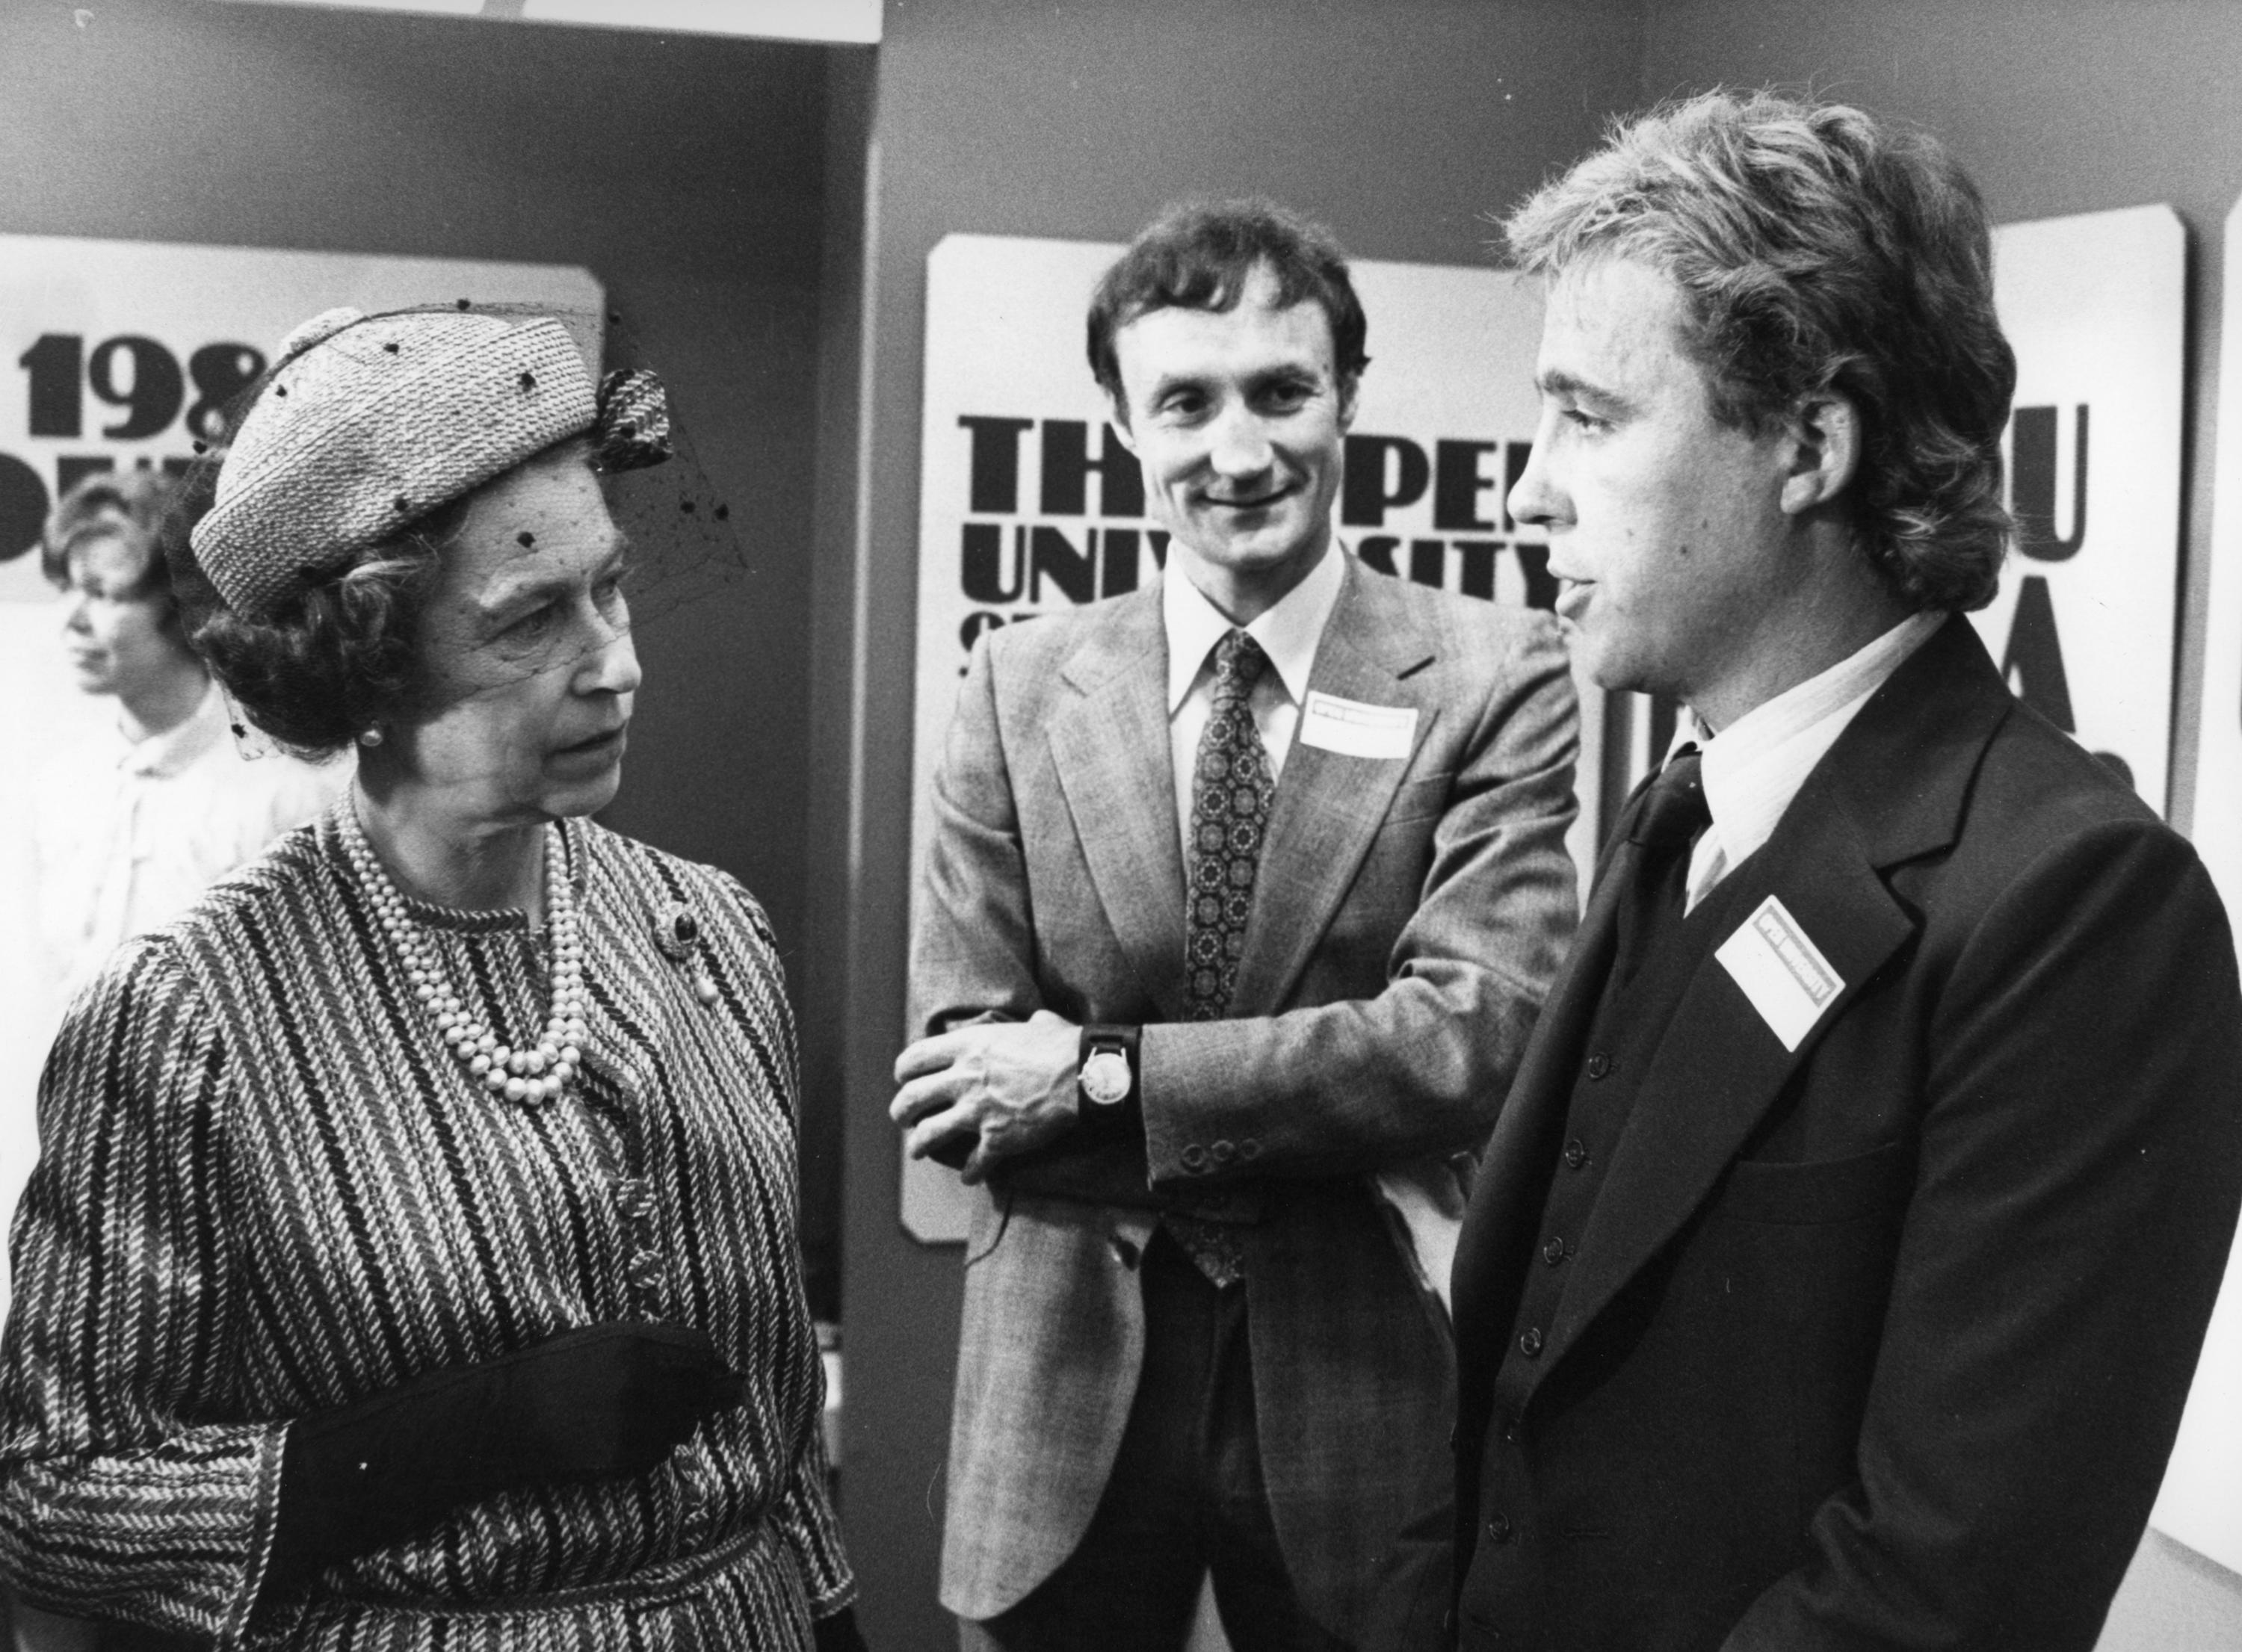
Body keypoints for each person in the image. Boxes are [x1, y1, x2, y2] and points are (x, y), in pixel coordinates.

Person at [1411, 91, 2242, 1651]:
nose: (1528, 486)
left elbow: (1946, 1589)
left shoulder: (2077, 905)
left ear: (1809, 444)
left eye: (1588, 417)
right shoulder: (1687, 808)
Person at [0, 305, 862, 1651]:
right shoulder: (191, 1022)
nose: (619, 662)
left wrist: (829, 1617)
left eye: (614, 587)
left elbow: (781, 1432)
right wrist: (460, 1436)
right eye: (533, 619)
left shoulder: (708, 936)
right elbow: (57, 1496)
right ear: (370, 653)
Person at [892, 199, 1580, 1650]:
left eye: (1283, 392)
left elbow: (1474, 1041)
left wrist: (1094, 1074)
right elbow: (960, 1081)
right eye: (1186, 403)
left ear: (1348, 395)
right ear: (1121, 419)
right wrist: (1331, 1086)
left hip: (1357, 1386)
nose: (1241, 451)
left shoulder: (1490, 672)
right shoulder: (1018, 685)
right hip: (1064, 1395)